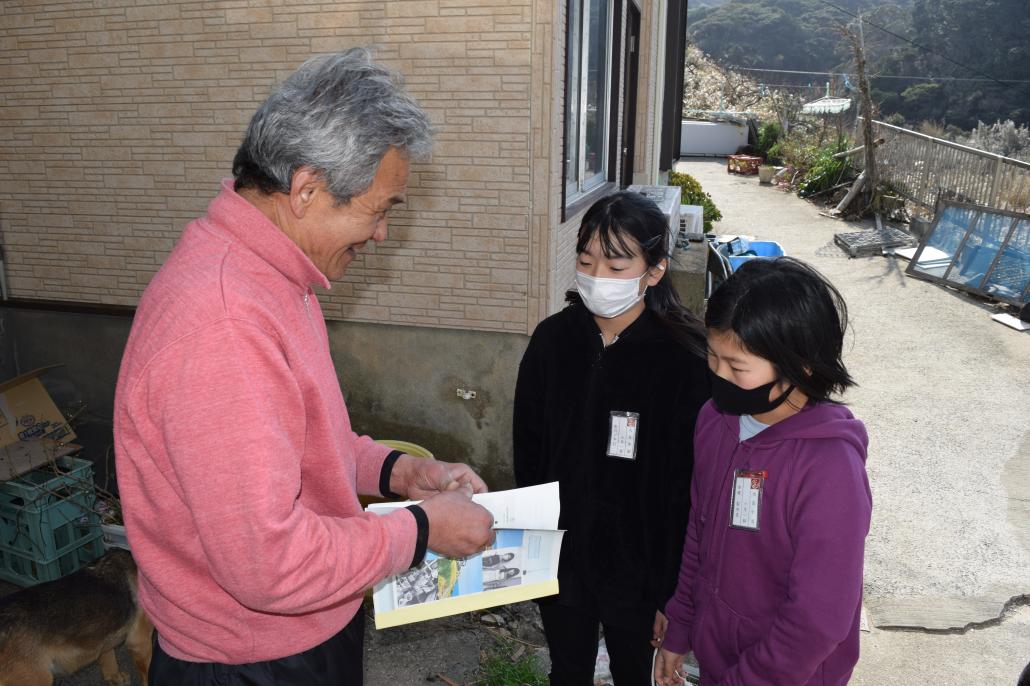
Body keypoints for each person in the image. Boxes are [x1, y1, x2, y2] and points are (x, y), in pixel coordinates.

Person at [113, 48, 494, 686]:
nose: (379, 235)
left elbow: (300, 442)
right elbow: (270, 563)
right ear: (307, 189)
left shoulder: (274, 274)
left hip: (289, 637)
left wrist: (400, 472)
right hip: (250, 662)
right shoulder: (226, 323)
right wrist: (421, 531)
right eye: (377, 210)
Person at [514, 191, 710, 684]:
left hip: (641, 570)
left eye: (618, 265)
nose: (598, 276)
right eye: (586, 260)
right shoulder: (551, 341)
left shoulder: (684, 360)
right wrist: (532, 542)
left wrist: (674, 591)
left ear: (655, 270)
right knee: (569, 668)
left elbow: (687, 486)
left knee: (635, 674)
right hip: (563, 557)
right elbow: (529, 449)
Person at [655, 257, 872, 686]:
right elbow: (698, 531)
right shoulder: (715, 421)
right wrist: (679, 626)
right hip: (720, 656)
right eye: (713, 357)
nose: (718, 375)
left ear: (801, 366)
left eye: (736, 367)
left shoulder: (830, 470)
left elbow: (818, 620)